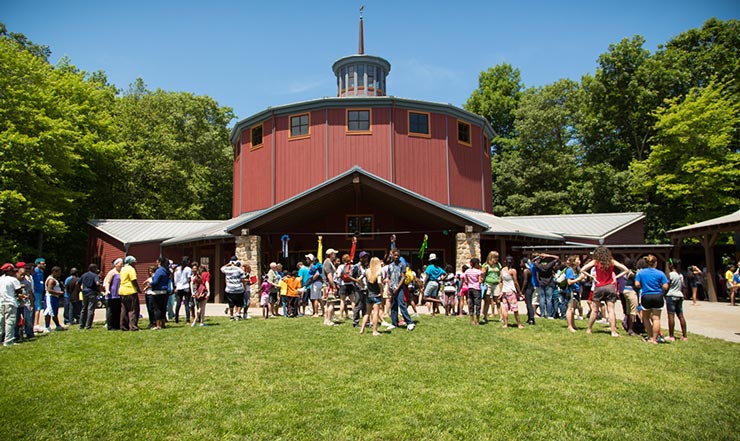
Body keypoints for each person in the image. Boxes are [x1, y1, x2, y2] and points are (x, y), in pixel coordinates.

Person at [580, 246, 629, 337]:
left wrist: (592, 277)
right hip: (610, 286)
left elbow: (582, 269)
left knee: (594, 310)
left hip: (599, 286)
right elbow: (625, 269)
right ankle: (613, 331)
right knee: (611, 310)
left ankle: (589, 329)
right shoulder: (611, 261)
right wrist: (615, 277)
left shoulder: (595, 262)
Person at [635, 254, 669, 344]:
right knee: (656, 318)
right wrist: (659, 287)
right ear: (655, 263)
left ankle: (650, 337)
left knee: (646, 318)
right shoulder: (660, 273)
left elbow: (637, 284)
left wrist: (644, 285)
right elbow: (666, 286)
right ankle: (655, 339)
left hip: (646, 295)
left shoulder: (641, 273)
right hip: (658, 295)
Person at [386, 249, 415, 331]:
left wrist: (397, 287)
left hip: (400, 288)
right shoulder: (390, 266)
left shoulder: (402, 265)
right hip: (392, 288)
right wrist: (389, 288)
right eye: (395, 255)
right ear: (392, 255)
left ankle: (409, 322)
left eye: (398, 256)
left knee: (402, 305)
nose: (396, 257)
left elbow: (403, 277)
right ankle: (394, 323)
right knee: (393, 306)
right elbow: (389, 277)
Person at [360, 256, 383, 336]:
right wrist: (381, 291)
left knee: (367, 313)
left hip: (369, 294)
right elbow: (379, 282)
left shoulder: (367, 271)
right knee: (376, 313)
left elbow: (359, 279)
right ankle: (375, 331)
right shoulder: (378, 272)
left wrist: (362, 285)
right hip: (376, 295)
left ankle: (362, 329)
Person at [1, 263, 23, 346]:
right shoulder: (13, 280)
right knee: (10, 322)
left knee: (1, 322)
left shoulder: (0, 279)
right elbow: (18, 291)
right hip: (10, 302)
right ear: (9, 271)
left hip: (1, 302)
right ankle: (8, 341)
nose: (14, 272)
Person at [666, 260, 688, 341]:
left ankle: (671, 335)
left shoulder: (670, 275)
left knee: (671, 316)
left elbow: (667, 285)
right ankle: (685, 335)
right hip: (679, 295)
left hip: (671, 295)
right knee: (681, 315)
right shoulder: (680, 275)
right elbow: (683, 286)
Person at [499, 256, 524, 329]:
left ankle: (505, 324)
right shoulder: (513, 271)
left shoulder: (502, 270)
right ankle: (519, 324)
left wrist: (501, 291)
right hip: (511, 291)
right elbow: (515, 282)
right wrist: (519, 292)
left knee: (505, 309)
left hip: (504, 291)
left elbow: (500, 281)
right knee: (515, 309)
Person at [534, 253, 560, 319]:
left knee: (542, 299)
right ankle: (549, 314)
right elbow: (557, 258)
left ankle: (542, 314)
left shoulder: (539, 266)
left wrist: (539, 257)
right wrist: (549, 255)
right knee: (549, 299)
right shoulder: (549, 265)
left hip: (541, 283)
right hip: (549, 283)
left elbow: (532, 261)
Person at [119, 256, 141, 331]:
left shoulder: (123, 269)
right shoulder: (131, 269)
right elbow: (133, 280)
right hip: (130, 290)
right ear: (131, 262)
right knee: (133, 309)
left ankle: (123, 326)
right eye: (134, 262)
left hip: (122, 291)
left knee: (124, 309)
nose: (135, 263)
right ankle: (133, 326)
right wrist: (138, 289)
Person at [563, 256, 585, 332]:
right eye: (578, 260)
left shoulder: (576, 270)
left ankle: (573, 324)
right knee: (570, 308)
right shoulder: (569, 270)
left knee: (574, 308)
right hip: (571, 291)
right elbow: (569, 282)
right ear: (574, 262)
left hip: (576, 291)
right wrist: (579, 279)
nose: (579, 261)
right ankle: (569, 326)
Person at [14, 262, 35, 341]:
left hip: (25, 304)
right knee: (15, 321)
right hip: (16, 304)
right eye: (21, 274)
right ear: (17, 273)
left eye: (24, 274)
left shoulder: (27, 283)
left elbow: (31, 294)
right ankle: (16, 336)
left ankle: (30, 334)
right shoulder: (14, 282)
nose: (22, 276)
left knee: (28, 320)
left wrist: (32, 304)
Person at [221, 257, 246, 321]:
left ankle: (231, 316)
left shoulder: (227, 269)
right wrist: (244, 287)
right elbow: (243, 278)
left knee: (231, 303)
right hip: (239, 288)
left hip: (229, 289)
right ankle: (238, 314)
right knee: (240, 302)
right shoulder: (239, 270)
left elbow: (221, 268)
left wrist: (228, 264)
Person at [43, 266, 67, 332]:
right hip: (50, 297)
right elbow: (49, 290)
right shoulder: (51, 280)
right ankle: (47, 327)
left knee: (54, 312)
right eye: (58, 272)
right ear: (54, 272)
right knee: (48, 312)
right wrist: (58, 293)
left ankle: (57, 325)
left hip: (54, 298)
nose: (59, 274)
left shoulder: (54, 279)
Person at [149, 257, 171, 329]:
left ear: (160, 262)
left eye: (157, 262)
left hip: (157, 292)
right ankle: (163, 324)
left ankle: (158, 325)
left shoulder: (159, 271)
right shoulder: (166, 271)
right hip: (164, 291)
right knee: (163, 308)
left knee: (157, 308)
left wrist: (150, 284)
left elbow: (156, 281)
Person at [481, 251, 502, 323]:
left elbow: (500, 274)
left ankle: (501, 317)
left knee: (498, 301)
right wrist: (484, 272)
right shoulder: (486, 265)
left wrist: (500, 282)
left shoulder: (498, 265)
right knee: (487, 301)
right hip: (488, 284)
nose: (497, 259)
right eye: (495, 257)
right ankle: (484, 316)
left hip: (496, 284)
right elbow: (482, 275)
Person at [78, 263, 100, 330]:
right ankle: (88, 325)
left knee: (84, 309)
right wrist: (98, 290)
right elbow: (97, 283)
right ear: (93, 269)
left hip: (84, 293)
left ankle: (81, 325)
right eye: (96, 268)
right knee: (90, 309)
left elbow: (78, 283)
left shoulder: (84, 275)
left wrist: (81, 290)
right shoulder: (95, 275)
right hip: (92, 293)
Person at [103, 258, 123, 330]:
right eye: (120, 264)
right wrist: (107, 290)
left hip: (119, 294)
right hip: (112, 294)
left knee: (118, 310)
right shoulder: (112, 272)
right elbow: (107, 282)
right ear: (116, 264)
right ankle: (110, 326)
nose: (121, 265)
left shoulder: (121, 272)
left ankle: (117, 325)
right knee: (111, 310)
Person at [621, 258, 640, 336]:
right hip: (631, 291)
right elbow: (637, 282)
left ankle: (628, 326)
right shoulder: (631, 273)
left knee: (629, 311)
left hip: (625, 290)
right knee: (633, 311)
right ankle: (631, 329)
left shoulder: (625, 271)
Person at [351, 251, 370, 327]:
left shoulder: (367, 267)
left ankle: (367, 322)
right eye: (364, 257)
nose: (366, 258)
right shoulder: (356, 266)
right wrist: (357, 281)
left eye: (367, 257)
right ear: (360, 258)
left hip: (366, 288)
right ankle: (355, 322)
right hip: (358, 289)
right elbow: (349, 276)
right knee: (358, 305)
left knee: (366, 306)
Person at [322, 248, 339, 326]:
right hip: (329, 285)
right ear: (330, 254)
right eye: (334, 253)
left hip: (327, 285)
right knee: (331, 303)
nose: (335, 255)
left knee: (327, 303)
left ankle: (326, 320)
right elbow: (329, 275)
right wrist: (334, 286)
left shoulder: (328, 262)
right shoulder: (328, 263)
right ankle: (328, 320)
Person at [173, 257, 192, 324]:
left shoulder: (177, 269)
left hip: (179, 287)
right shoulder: (188, 269)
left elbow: (175, 280)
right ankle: (187, 320)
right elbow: (189, 278)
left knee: (178, 304)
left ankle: (176, 319)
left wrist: (175, 286)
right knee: (186, 304)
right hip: (186, 286)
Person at [32, 258, 46, 333]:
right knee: (37, 307)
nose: (44, 265)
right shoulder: (35, 271)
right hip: (36, 291)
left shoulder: (42, 271)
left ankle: (36, 324)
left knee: (39, 307)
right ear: (38, 264)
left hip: (40, 291)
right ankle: (35, 325)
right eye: (42, 263)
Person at [520, 258, 535, 325]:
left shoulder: (526, 271)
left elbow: (525, 281)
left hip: (528, 288)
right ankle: (529, 317)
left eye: (521, 262)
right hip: (530, 288)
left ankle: (532, 318)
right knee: (527, 303)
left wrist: (522, 290)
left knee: (529, 303)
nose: (520, 263)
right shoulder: (528, 270)